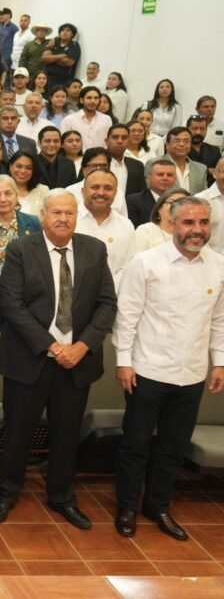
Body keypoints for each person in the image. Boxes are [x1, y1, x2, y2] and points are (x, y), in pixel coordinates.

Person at [0, 190, 117, 530]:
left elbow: (106, 304)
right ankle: (6, 492)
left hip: (77, 362)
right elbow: (11, 303)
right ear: (42, 215)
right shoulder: (20, 250)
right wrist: (52, 346)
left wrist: (82, 346)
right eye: (57, 212)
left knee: (66, 434)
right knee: (17, 432)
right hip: (31, 359)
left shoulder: (94, 249)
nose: (63, 219)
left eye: (69, 213)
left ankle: (62, 496)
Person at [112, 196, 224, 541]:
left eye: (203, 223)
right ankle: (127, 506)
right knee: (136, 444)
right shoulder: (145, 263)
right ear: (172, 224)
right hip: (146, 370)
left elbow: (219, 319)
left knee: (173, 447)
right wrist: (123, 362)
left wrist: (219, 360)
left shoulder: (219, 264)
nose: (197, 230)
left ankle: (157, 506)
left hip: (191, 374)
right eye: (189, 223)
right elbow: (127, 316)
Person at [75, 169, 137, 288]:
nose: (101, 193)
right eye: (95, 187)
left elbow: (129, 265)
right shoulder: (69, 220)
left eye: (108, 188)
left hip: (113, 296)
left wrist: (107, 289)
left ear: (116, 193)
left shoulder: (126, 225)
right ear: (82, 192)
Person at [132, 188, 189, 253]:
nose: (176, 207)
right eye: (171, 203)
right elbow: (138, 260)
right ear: (159, 207)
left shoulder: (192, 231)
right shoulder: (145, 230)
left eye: (183, 204)